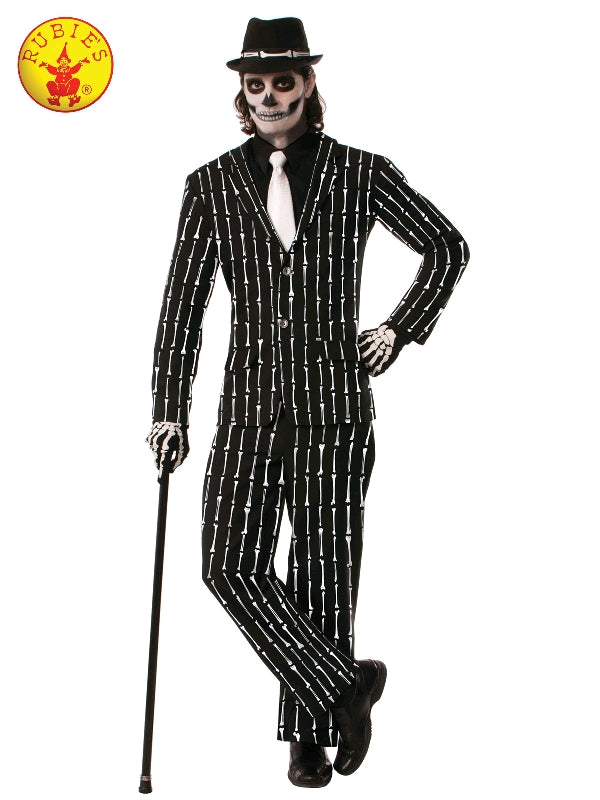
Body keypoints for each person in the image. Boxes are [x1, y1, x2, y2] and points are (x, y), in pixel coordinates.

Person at [146, 16, 470, 789]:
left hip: (337, 410)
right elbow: (182, 306)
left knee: (324, 573)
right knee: (229, 568)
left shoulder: (361, 172)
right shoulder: (210, 185)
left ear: (308, 84)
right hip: (247, 409)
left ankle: (309, 739)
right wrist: (169, 408)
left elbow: (447, 246)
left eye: (282, 82)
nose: (268, 96)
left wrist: (398, 328)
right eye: (255, 84)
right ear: (242, 91)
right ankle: (345, 686)